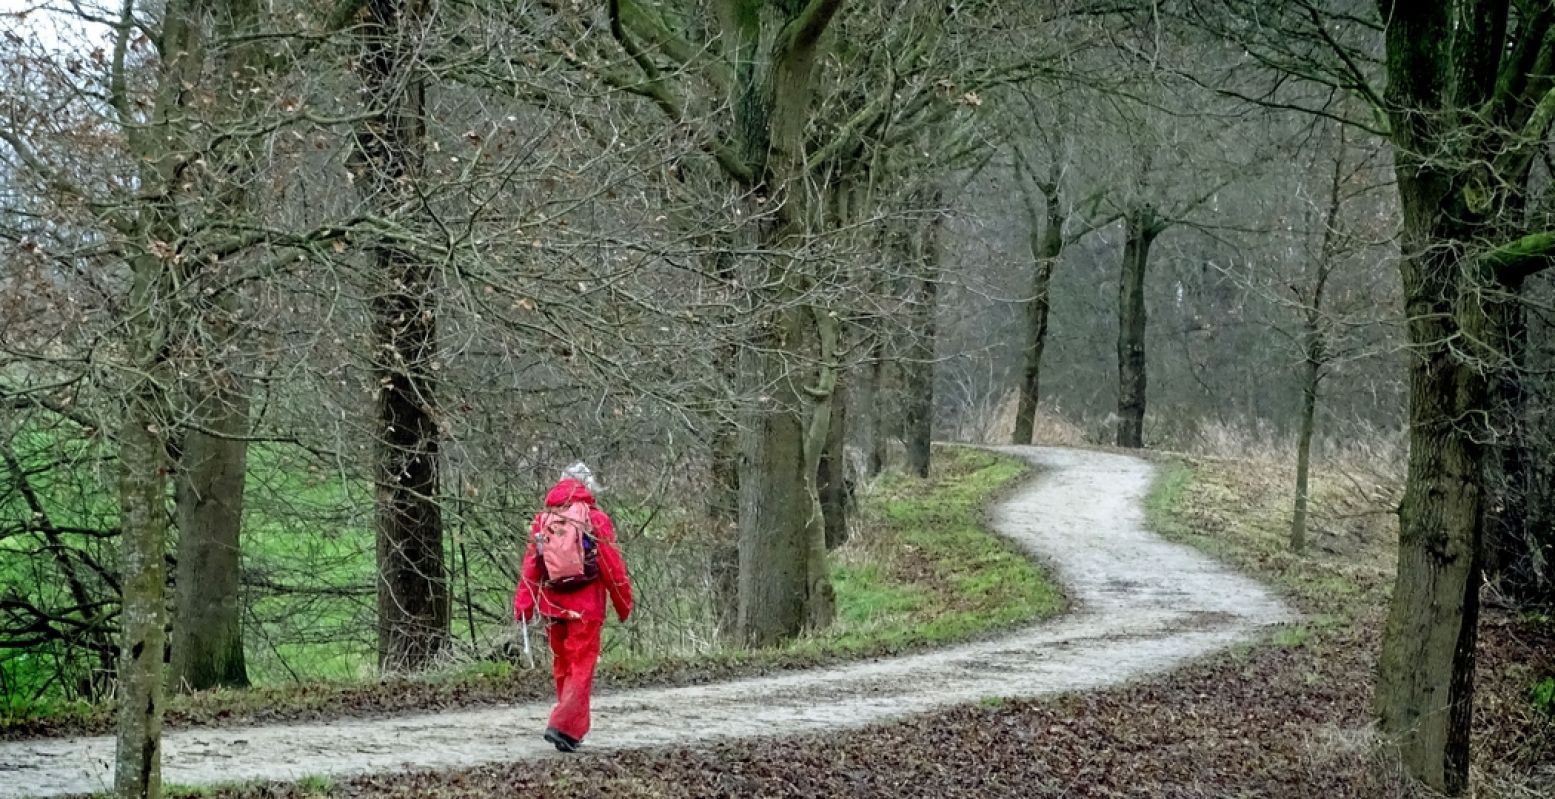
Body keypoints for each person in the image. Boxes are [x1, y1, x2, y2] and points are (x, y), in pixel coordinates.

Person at [514, 462, 633, 753]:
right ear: (588, 487)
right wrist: (623, 603)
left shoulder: (544, 519)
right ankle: (564, 725)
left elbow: (532, 567)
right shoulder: (595, 519)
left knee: (563, 666)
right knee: (582, 667)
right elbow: (611, 565)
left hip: (553, 604)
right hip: (586, 608)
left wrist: (524, 606)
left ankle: (570, 731)